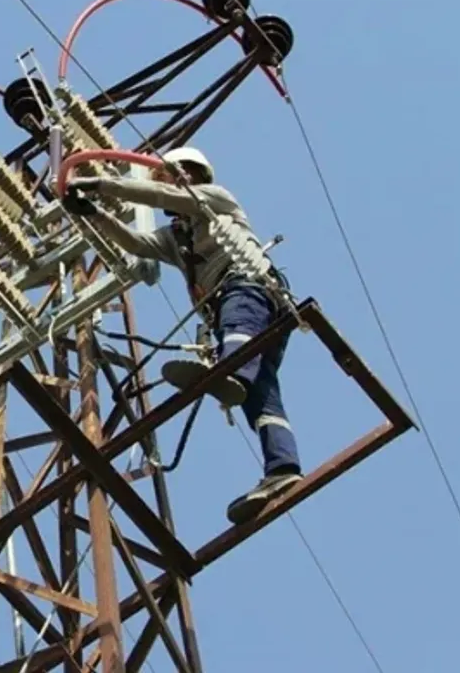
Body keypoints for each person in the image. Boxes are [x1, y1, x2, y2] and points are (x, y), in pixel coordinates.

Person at [62, 147, 302, 525]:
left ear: (190, 174)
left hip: (249, 288)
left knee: (237, 329)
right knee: (260, 398)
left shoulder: (216, 199)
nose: (165, 183)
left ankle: (229, 372)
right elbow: (136, 244)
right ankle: (283, 468)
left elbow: (161, 197)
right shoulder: (176, 238)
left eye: (168, 175)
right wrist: (94, 213)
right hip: (243, 311)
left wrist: (102, 185)